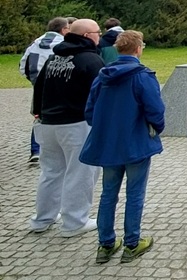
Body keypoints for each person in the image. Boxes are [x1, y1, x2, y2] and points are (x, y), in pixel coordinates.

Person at [79, 30, 165, 264]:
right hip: (135, 141)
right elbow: (156, 110)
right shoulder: (142, 76)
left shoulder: (103, 76)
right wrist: (157, 128)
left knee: (108, 193)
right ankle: (132, 243)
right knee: (135, 193)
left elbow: (90, 110)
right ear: (138, 49)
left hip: (109, 143)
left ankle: (105, 243)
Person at [30, 18, 104, 237]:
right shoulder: (91, 61)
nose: (99, 35)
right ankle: (75, 221)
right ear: (87, 36)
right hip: (76, 123)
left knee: (51, 172)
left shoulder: (53, 58)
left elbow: (39, 88)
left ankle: (42, 218)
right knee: (81, 172)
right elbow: (101, 92)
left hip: (47, 122)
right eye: (97, 32)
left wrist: (39, 113)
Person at [19, 17, 71, 165]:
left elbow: (23, 65)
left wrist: (34, 81)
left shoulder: (34, 44)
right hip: (60, 84)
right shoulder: (63, 44)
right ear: (63, 30)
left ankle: (35, 150)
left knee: (39, 115)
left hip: (39, 85)